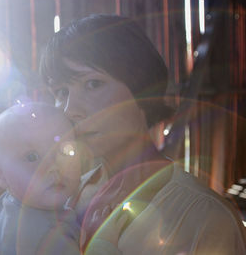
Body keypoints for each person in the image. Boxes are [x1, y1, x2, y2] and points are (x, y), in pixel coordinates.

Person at [39, 14, 246, 254]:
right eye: (61, 92)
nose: (70, 109)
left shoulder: (205, 219)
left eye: (93, 84)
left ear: (144, 91)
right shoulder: (65, 195)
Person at [0, 102, 124, 254]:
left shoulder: (8, 206)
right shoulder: (43, 238)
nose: (54, 166)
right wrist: (102, 240)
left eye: (66, 151)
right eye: (31, 157)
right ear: (0, 174)